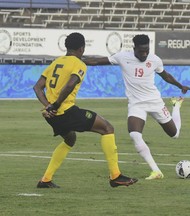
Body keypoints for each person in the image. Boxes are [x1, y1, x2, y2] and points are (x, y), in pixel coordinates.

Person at [33, 32, 138, 188]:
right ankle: (115, 176)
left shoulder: (56, 62)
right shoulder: (79, 64)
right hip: (65, 111)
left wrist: (48, 105)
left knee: (70, 139)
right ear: (82, 48)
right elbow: (70, 85)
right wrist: (55, 105)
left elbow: (37, 87)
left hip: (51, 115)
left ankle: (46, 180)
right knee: (107, 128)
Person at [83, 34, 190, 180]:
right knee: (134, 134)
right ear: (134, 48)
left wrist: (180, 85)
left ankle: (176, 105)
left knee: (174, 134)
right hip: (136, 104)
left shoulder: (155, 60)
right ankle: (156, 171)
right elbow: (97, 61)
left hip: (155, 102)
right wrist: (77, 59)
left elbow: (165, 76)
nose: (144, 54)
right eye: (141, 51)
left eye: (146, 50)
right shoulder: (122, 57)